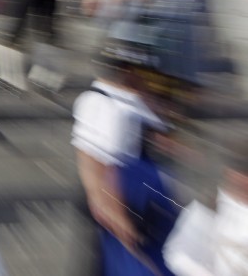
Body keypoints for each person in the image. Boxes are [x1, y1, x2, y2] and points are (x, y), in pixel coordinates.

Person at [72, 32, 180, 276]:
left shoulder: (130, 101)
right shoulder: (103, 106)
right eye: (145, 73)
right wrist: (112, 211)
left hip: (138, 199)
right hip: (119, 201)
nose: (149, 80)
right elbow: (92, 162)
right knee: (110, 263)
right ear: (129, 71)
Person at [164, 140, 248, 275]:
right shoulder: (208, 208)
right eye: (242, 173)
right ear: (230, 173)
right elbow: (177, 255)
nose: (244, 180)